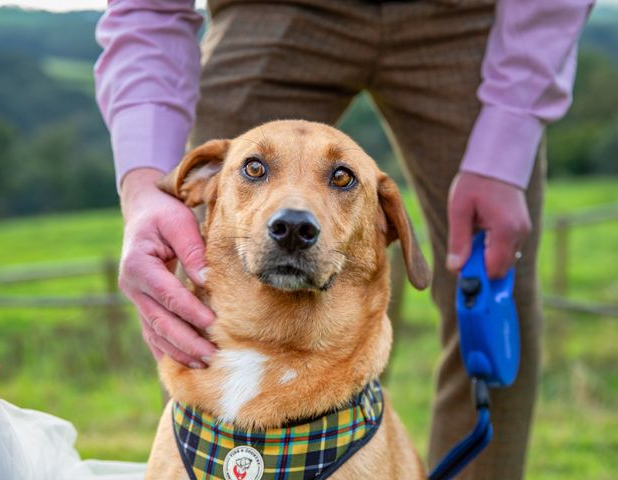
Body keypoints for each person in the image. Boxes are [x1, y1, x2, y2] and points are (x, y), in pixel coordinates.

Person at [94, 1, 594, 478]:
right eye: (254, 168)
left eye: (341, 180)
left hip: (463, 14)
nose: (295, 218)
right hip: (272, 8)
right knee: (184, 275)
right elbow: (147, 7)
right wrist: (145, 190)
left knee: (496, 301)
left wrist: (507, 144)